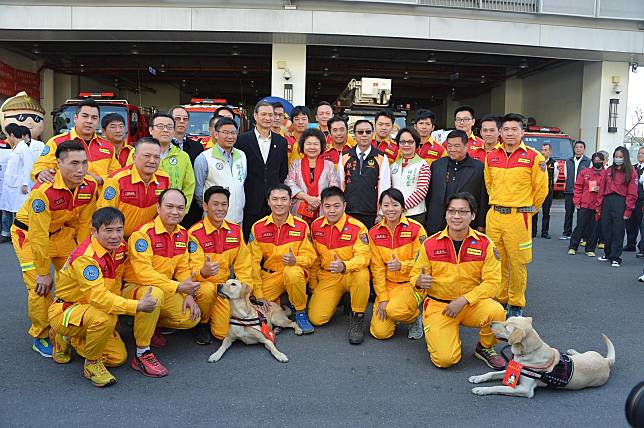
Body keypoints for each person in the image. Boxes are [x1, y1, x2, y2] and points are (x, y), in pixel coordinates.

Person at [48, 207, 158, 387]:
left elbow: (116, 281)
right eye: (108, 230)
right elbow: (98, 298)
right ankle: (90, 364)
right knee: (104, 318)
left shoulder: (120, 247)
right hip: (68, 309)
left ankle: (71, 338)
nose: (115, 235)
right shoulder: (86, 258)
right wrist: (136, 306)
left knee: (117, 358)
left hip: (93, 311)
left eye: (119, 229)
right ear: (94, 231)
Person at [11, 141, 98, 358]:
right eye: (74, 163)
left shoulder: (89, 187)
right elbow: (38, 235)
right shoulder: (43, 192)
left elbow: (85, 225)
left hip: (61, 233)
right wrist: (42, 273)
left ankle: (64, 324)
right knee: (40, 288)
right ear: (58, 163)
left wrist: (82, 258)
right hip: (29, 236)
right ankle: (40, 335)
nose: (81, 169)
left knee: (74, 279)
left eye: (85, 163)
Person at [409, 192, 506, 370]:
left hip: (470, 304)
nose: (456, 216)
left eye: (463, 212)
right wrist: (418, 281)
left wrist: (463, 301)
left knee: (498, 312)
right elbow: (414, 275)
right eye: (452, 211)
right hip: (440, 306)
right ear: (445, 214)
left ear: (473, 215)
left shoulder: (486, 244)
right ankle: (438, 331)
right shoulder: (430, 244)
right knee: (445, 360)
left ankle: (485, 347)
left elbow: (493, 283)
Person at [122, 189, 201, 377]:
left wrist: (188, 294)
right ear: (158, 208)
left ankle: (150, 324)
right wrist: (178, 287)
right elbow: (143, 274)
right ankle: (142, 353)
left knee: (191, 317)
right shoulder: (142, 235)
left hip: (163, 287)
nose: (175, 212)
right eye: (170, 207)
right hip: (134, 288)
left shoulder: (183, 234)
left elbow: (182, 269)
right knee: (154, 294)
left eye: (180, 208)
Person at [484, 113, 548, 317]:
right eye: (506, 130)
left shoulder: (533, 157)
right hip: (494, 215)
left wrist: (528, 211)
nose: (510, 133)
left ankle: (516, 304)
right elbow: (489, 185)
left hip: (518, 219)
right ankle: (500, 300)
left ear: (523, 132)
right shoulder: (492, 156)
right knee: (496, 260)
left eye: (514, 130)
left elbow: (541, 190)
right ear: (500, 132)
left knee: (517, 263)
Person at [187, 185, 254, 344]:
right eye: (215, 204)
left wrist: (247, 292)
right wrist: (203, 271)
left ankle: (214, 315)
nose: (220, 208)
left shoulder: (235, 230)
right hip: (202, 286)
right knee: (207, 290)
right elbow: (190, 270)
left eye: (224, 204)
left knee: (222, 333)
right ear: (205, 206)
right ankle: (202, 324)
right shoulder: (194, 233)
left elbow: (244, 266)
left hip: (224, 287)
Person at [248, 184, 317, 334]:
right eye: (275, 199)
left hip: (294, 273)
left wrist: (296, 261)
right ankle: (282, 307)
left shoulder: (302, 226)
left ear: (290, 202)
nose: (279, 203)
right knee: (252, 300)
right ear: (268, 202)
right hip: (270, 276)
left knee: (292, 272)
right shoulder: (258, 227)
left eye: (284, 199)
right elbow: (252, 263)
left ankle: (300, 311)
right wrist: (259, 294)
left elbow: (311, 257)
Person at [309, 186, 370, 344]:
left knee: (362, 274)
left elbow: (364, 258)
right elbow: (314, 258)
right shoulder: (315, 226)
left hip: (350, 273)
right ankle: (343, 298)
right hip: (328, 276)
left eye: (336, 206)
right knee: (316, 319)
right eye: (327, 206)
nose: (332, 211)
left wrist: (344, 265)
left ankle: (358, 317)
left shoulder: (358, 227)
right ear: (322, 207)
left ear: (344, 205)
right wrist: (313, 285)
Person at [369, 188, 427, 341]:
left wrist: (402, 265)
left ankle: (414, 318)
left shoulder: (417, 229)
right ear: (380, 207)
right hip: (388, 285)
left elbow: (423, 263)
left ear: (403, 207)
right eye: (386, 205)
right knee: (380, 333)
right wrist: (382, 298)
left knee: (393, 310)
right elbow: (377, 269)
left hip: (411, 284)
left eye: (395, 205)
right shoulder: (374, 233)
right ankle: (397, 311)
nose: (390, 209)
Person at [33, 98, 119, 185]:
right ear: (75, 118)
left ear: (98, 121)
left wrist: (100, 180)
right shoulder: (56, 142)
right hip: (68, 197)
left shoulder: (108, 147)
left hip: (99, 198)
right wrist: (41, 172)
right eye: (85, 116)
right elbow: (41, 166)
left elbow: (117, 175)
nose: (89, 121)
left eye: (94, 118)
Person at [235, 101, 288, 240]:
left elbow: (282, 172)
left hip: (273, 204)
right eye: (264, 114)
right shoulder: (242, 141)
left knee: (273, 241)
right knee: (250, 241)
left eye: (271, 114)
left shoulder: (281, 142)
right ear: (255, 116)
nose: (268, 118)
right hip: (250, 201)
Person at [98, 137, 170, 238]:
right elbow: (105, 215)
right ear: (134, 157)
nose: (152, 161)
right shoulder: (117, 179)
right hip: (119, 240)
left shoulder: (164, 179)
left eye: (157, 157)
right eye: (147, 156)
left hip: (149, 240)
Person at [136, 112, 196, 228]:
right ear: (150, 130)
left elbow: (189, 186)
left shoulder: (183, 156)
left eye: (169, 127)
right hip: (141, 216)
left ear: (173, 131)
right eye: (160, 126)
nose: (165, 130)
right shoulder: (136, 153)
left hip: (172, 218)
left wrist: (181, 211)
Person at [426, 130, 488, 235]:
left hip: (466, 223)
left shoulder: (478, 167)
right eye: (449, 146)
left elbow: (483, 198)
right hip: (437, 222)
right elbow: (430, 194)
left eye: (457, 146)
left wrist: (481, 223)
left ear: (466, 146)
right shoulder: (437, 165)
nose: (452, 150)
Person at [193, 117, 247, 227]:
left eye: (233, 133)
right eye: (225, 132)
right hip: (214, 220)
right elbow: (198, 191)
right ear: (216, 134)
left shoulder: (242, 155)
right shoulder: (204, 158)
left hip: (238, 218)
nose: (230, 136)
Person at [338, 120, 391, 230]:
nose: (364, 135)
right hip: (348, 211)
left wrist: (381, 213)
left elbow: (384, 186)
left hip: (371, 213)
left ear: (373, 134)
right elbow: (340, 184)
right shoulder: (344, 156)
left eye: (368, 132)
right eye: (360, 132)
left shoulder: (381, 157)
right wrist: (340, 210)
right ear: (354, 134)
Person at [285, 128, 339, 224]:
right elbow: (289, 183)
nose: (312, 147)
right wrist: (307, 198)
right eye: (308, 144)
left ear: (321, 146)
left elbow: (334, 185)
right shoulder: (295, 164)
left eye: (315, 144)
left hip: (322, 207)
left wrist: (318, 199)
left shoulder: (329, 165)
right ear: (303, 145)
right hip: (299, 210)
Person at [596, 146, 638, 267]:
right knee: (606, 229)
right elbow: (601, 189)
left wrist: (628, 210)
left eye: (620, 157)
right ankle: (608, 253)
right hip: (607, 201)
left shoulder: (631, 172)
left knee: (618, 230)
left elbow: (632, 192)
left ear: (625, 158)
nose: (617, 159)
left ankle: (616, 256)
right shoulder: (609, 170)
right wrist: (599, 205)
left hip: (621, 201)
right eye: (616, 157)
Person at [1, 125, 43, 243]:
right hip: (10, 184)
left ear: (12, 134)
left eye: (8, 135)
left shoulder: (23, 148)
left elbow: (28, 167)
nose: (7, 137)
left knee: (18, 211)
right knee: (7, 209)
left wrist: (25, 183)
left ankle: (18, 233)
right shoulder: (16, 147)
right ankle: (6, 233)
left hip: (18, 185)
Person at [390, 127, 430, 225]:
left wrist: (402, 207)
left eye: (410, 142)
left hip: (415, 214)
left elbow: (421, 191)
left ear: (416, 143)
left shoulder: (423, 165)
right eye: (402, 142)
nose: (406, 145)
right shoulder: (393, 166)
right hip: (394, 214)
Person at [568, 152, 605, 257]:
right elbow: (578, 187)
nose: (597, 162)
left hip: (598, 205)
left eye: (599, 160)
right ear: (592, 161)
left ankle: (590, 248)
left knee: (594, 228)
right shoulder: (585, 172)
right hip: (585, 204)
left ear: (603, 161)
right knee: (580, 226)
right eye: (595, 160)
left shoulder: (606, 174)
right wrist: (576, 201)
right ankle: (573, 247)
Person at [561, 141, 591, 239]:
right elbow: (566, 175)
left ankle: (580, 234)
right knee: (568, 212)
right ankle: (566, 233)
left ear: (584, 149)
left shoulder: (588, 162)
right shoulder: (568, 161)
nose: (578, 149)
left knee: (581, 214)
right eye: (576, 147)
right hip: (569, 191)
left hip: (582, 192)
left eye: (580, 147)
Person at [532, 143, 555, 239]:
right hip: (536, 191)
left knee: (546, 212)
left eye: (545, 150)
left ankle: (545, 232)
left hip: (548, 191)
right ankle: (533, 231)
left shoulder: (554, 163)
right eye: (542, 150)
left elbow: (555, 177)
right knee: (534, 211)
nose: (543, 152)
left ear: (550, 152)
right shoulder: (537, 162)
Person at [625, 146, 644, 255]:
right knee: (630, 223)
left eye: (642, 153)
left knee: (641, 224)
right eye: (639, 153)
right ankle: (630, 244)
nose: (640, 155)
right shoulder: (632, 168)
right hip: (632, 199)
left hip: (641, 201)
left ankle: (642, 248)